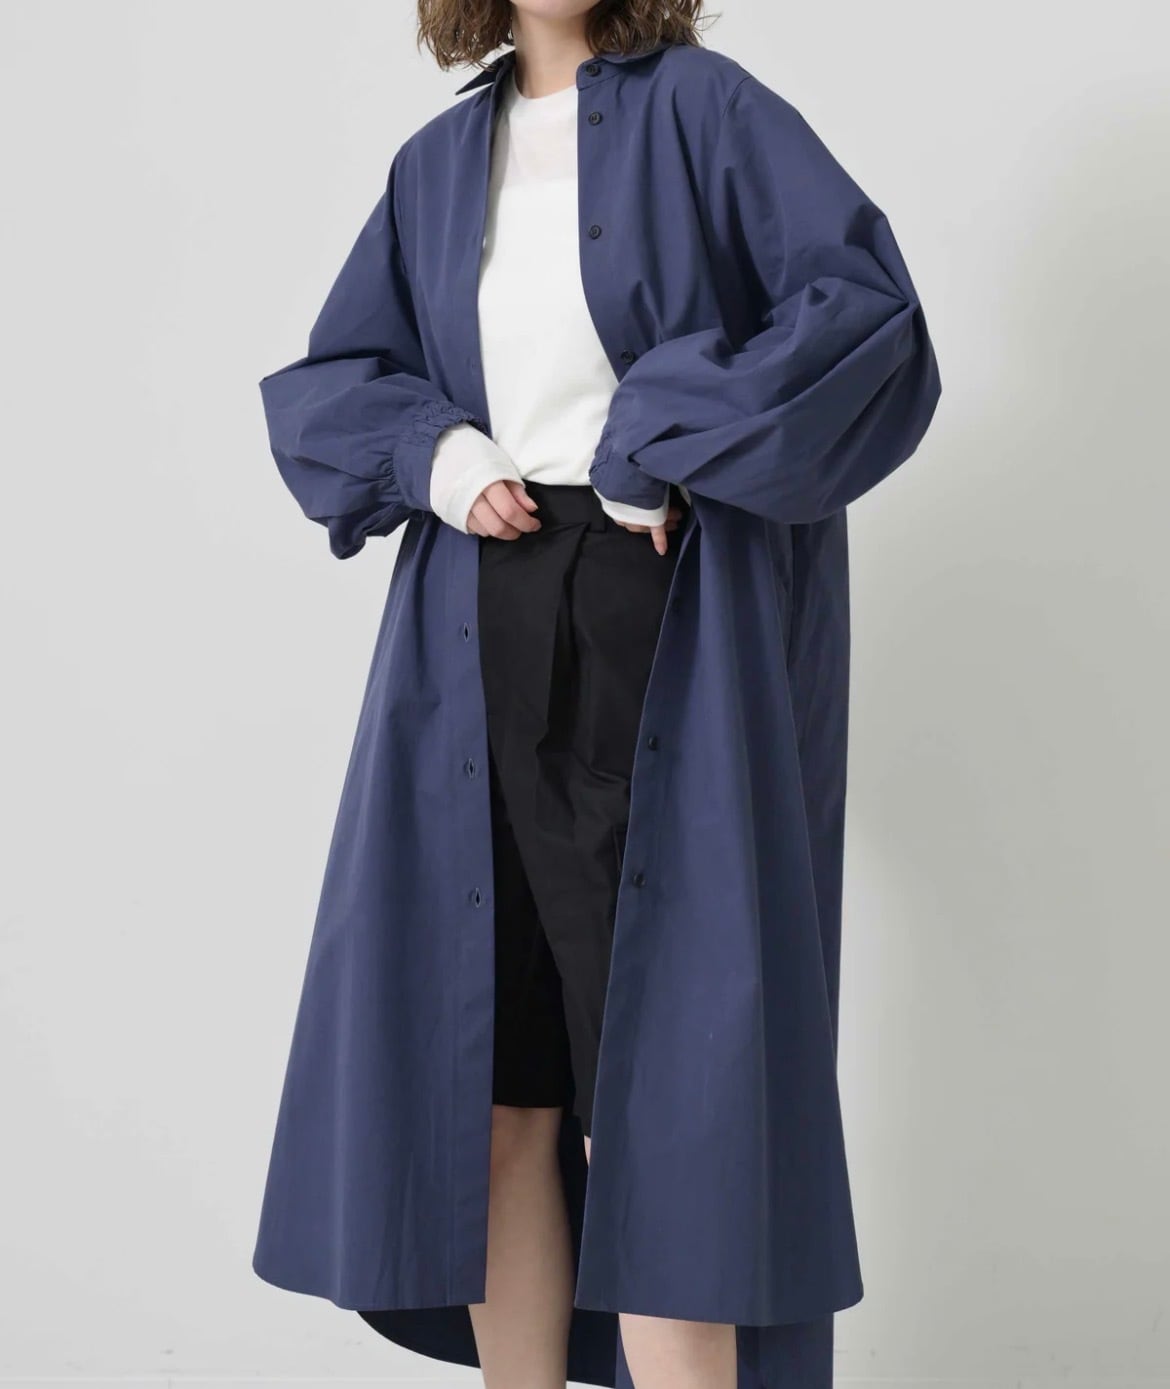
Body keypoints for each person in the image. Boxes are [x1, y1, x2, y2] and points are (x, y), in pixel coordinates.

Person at [251, 3, 941, 1388]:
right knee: (497, 1078)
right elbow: (332, 383)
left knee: (665, 1089)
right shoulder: (437, 163)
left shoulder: (707, 109)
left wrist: (661, 435)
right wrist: (436, 454)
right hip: (474, 621)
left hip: (658, 607)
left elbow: (861, 313)